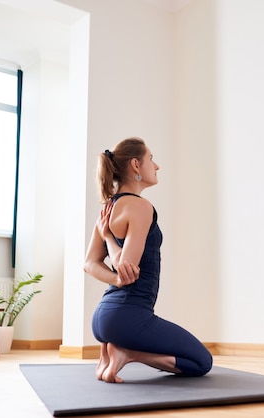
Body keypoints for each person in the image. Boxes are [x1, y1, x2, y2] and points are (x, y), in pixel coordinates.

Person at [83, 137, 213, 383]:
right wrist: (118, 275)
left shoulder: (109, 208)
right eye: (151, 159)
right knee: (202, 362)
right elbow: (125, 269)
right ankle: (127, 352)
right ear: (135, 165)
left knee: (191, 356)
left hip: (103, 316)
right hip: (127, 317)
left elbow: (90, 263)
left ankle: (111, 352)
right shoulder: (140, 207)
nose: (156, 166)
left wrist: (108, 237)